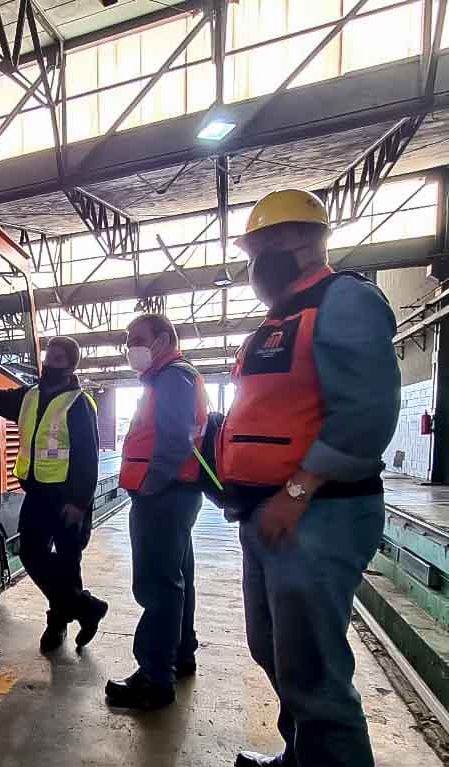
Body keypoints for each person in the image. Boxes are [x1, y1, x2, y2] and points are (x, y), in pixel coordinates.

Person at [222, 190, 400, 767]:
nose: (256, 259)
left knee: (315, 671)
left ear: (304, 239)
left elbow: (364, 417)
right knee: (273, 648)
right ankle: (302, 755)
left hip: (317, 514)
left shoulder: (344, 300)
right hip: (269, 516)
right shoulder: (277, 321)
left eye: (264, 244)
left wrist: (295, 492)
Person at [0, 337, 108, 653]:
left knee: (68, 563)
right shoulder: (28, 396)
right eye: (48, 358)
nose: (49, 364)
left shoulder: (79, 403)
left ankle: (57, 623)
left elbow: (89, 456)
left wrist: (78, 503)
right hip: (37, 494)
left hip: (68, 499)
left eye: (57, 360)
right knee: (32, 554)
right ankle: (86, 608)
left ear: (71, 366)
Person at [105, 314, 208, 711]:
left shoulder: (170, 378)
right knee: (177, 578)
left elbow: (175, 437)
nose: (131, 347)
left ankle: (153, 676)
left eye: (138, 339)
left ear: (163, 340)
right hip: (175, 494)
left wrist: (152, 481)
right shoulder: (172, 376)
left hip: (162, 496)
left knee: (157, 585)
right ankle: (180, 654)